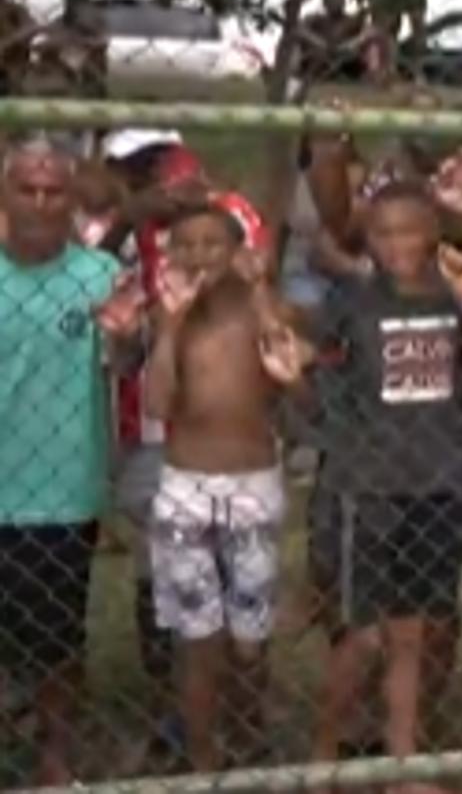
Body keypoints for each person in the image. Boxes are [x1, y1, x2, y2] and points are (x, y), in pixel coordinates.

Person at [308, 181, 462, 774]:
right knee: (362, 637)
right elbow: (318, 369)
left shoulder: (452, 296)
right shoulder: (353, 301)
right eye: (383, 232)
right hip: (369, 487)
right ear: (367, 238)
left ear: (434, 233)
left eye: (409, 230)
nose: (397, 244)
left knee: (411, 635)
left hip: (436, 481)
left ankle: (402, 762)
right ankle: (324, 751)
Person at [143, 203, 311, 770]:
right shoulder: (168, 317)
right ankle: (203, 755)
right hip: (186, 485)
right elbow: (156, 403)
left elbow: (290, 373)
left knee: (249, 637)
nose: (198, 256)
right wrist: (169, 326)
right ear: (168, 256)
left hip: (252, 485)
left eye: (212, 243)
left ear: (240, 251)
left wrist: (261, 292)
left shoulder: (264, 310)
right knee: (197, 636)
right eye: (184, 245)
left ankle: (248, 732)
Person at [0, 136, 137, 785]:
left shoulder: (98, 277)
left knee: (56, 637)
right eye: (26, 188)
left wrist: (128, 339)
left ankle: (55, 757)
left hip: (63, 489)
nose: (40, 202)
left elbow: (126, 370)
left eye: (53, 191)